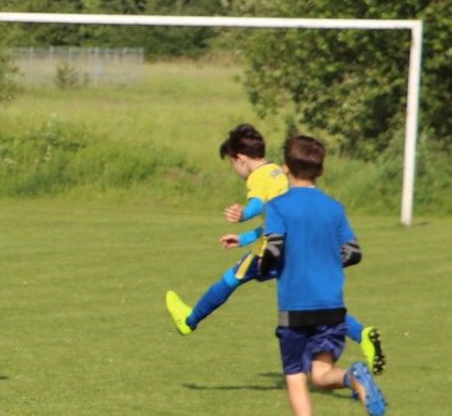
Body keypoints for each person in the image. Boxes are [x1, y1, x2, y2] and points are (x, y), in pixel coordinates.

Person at [164, 123, 385, 374]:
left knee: (229, 280)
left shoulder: (257, 177)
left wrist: (243, 213)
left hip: (269, 251)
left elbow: (257, 205)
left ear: (240, 159)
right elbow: (276, 217)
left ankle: (190, 320)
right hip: (294, 247)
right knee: (318, 305)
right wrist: (244, 238)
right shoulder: (278, 172)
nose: (235, 170)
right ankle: (362, 334)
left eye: (232, 164)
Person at [262, 134, 386, 416]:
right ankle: (351, 377)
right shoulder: (334, 208)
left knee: (294, 375)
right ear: (321, 171)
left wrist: (264, 267)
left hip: (295, 306)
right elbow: (353, 252)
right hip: (332, 306)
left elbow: (273, 249)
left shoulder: (278, 206)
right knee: (320, 374)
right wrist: (327, 262)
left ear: (286, 168)